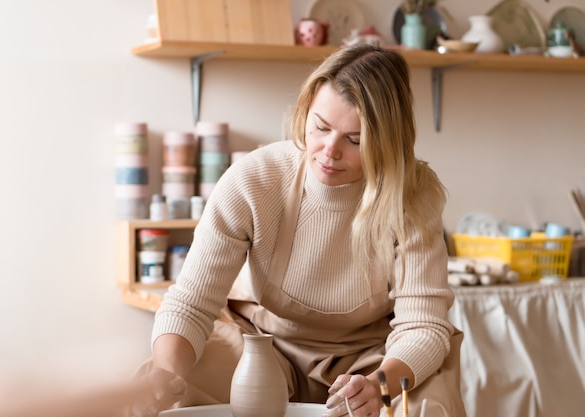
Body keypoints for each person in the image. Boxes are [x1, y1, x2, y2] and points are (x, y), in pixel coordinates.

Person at [134, 44, 467, 417]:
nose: (328, 150)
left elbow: (424, 326)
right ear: (305, 110)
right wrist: (165, 374)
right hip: (262, 344)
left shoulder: (412, 195)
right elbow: (191, 302)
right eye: (320, 127)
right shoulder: (255, 179)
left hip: (370, 357)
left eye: (355, 140)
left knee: (423, 407)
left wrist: (379, 387)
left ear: (388, 143)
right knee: (178, 388)